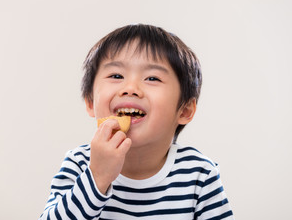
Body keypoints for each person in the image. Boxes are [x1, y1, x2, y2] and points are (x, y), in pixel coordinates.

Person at [39, 24, 234, 220]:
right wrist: (97, 177)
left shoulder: (199, 175)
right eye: (116, 76)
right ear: (90, 102)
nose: (130, 88)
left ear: (184, 110)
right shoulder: (81, 163)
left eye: (152, 78)